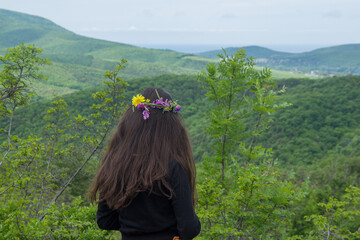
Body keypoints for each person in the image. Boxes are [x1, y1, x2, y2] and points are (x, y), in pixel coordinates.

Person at [89, 87, 201, 240]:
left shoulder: (115, 164)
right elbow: (188, 229)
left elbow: (105, 221)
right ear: (171, 128)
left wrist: (134, 226)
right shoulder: (174, 167)